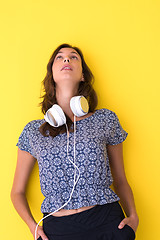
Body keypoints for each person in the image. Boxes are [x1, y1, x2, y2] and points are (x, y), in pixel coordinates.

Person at [11, 43, 139, 240]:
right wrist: (32, 227)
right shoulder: (33, 131)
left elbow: (120, 179)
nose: (66, 60)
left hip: (106, 220)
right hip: (58, 229)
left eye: (74, 57)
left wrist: (133, 217)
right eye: (59, 58)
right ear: (51, 74)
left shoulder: (105, 119)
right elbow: (17, 192)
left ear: (82, 76)